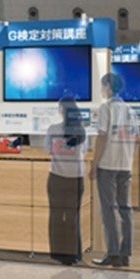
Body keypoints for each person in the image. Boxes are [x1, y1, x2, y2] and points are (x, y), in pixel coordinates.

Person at [89, 72, 138, 268]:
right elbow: (136, 138)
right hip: (125, 165)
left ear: (108, 87)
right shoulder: (130, 110)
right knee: (125, 209)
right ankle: (125, 254)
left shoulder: (106, 108)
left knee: (108, 210)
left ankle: (113, 253)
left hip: (107, 165)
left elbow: (101, 137)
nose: (101, 90)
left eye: (102, 86)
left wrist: (94, 164)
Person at [45, 97, 87, 266]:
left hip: (56, 177)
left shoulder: (52, 129)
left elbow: (48, 150)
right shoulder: (82, 131)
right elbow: (83, 151)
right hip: (75, 179)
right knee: (72, 217)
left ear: (61, 110)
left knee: (55, 216)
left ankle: (57, 253)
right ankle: (73, 254)